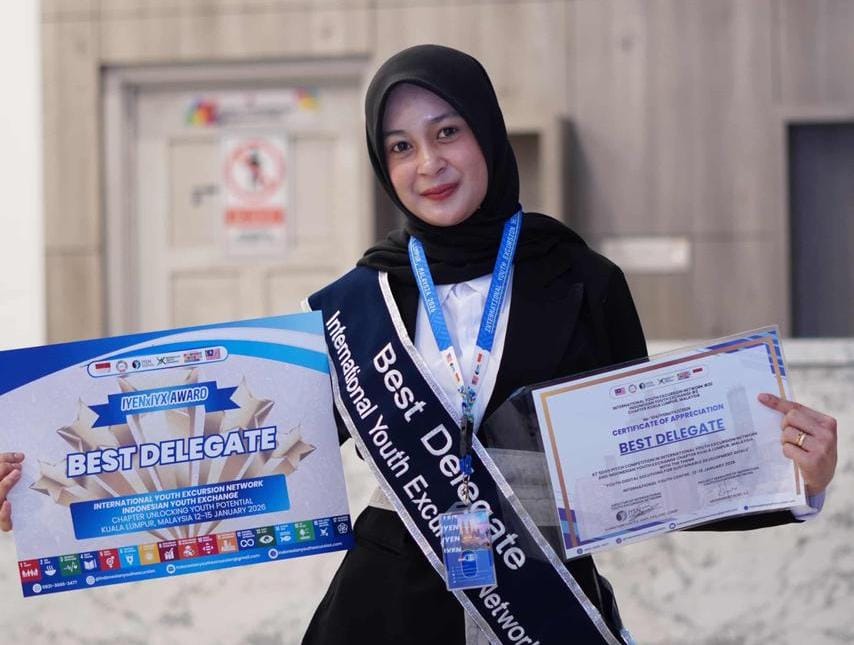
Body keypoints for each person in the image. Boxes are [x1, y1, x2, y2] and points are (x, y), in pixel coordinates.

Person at [1, 44, 838, 645]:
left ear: (488, 133)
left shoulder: (582, 280)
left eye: (447, 132)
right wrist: (42, 490)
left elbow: (648, 466)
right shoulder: (355, 304)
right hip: (386, 605)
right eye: (400, 146)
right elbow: (227, 455)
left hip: (537, 594)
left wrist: (793, 476)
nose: (427, 163)